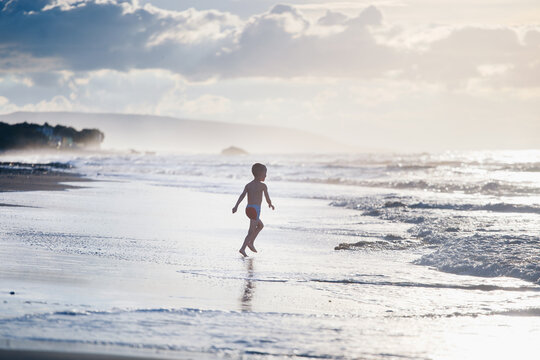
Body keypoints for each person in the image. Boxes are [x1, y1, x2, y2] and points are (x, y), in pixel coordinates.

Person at [232, 163, 275, 257]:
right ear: (260, 174)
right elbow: (267, 197)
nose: (266, 176)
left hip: (248, 209)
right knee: (251, 231)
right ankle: (243, 248)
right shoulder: (263, 186)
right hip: (255, 210)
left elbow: (242, 195)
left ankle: (251, 243)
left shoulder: (248, 185)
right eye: (265, 174)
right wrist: (270, 204)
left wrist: (236, 206)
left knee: (260, 225)